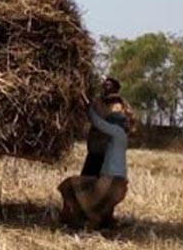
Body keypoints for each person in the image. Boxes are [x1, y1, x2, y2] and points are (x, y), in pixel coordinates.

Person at [58, 95, 130, 229]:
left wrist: (88, 108)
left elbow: (98, 123)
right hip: (117, 183)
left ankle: (82, 221)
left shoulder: (117, 132)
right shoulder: (117, 137)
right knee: (97, 204)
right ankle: (101, 223)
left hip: (111, 182)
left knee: (69, 185)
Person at [80, 77, 135, 177]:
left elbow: (128, 122)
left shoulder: (121, 105)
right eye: (105, 85)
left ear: (115, 88)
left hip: (107, 147)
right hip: (96, 145)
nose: (106, 87)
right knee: (90, 174)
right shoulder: (98, 101)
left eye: (109, 85)